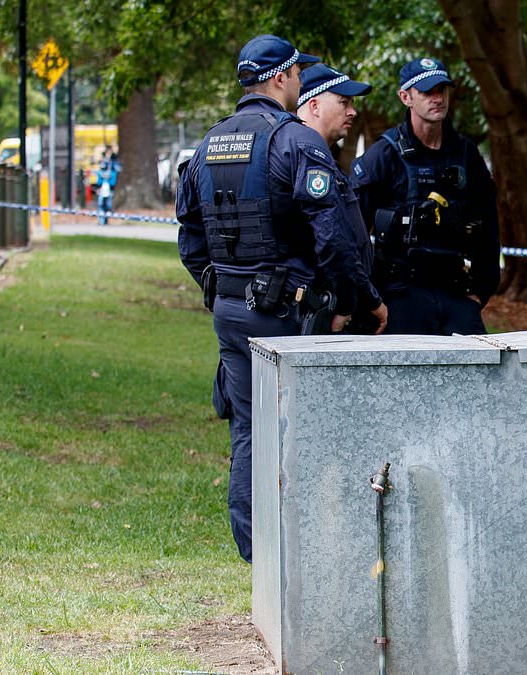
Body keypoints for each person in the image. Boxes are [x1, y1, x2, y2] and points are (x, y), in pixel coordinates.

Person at [177, 34, 376, 563]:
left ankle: (257, 551)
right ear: (284, 77)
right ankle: (306, 553)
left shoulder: (208, 144)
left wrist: (223, 288)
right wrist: (356, 302)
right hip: (286, 313)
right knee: (304, 430)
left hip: (230, 313)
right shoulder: (295, 142)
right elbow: (333, 239)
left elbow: (191, 242)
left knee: (248, 429)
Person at [350, 57, 500, 335]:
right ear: (405, 97)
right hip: (401, 293)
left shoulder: (466, 153)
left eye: (441, 90)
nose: (437, 98)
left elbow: (489, 227)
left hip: (456, 291)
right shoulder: (384, 155)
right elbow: (353, 229)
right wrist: (369, 297)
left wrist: (481, 290)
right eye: (427, 92)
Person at [297, 63, 388, 333]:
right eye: (343, 102)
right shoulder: (307, 158)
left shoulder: (324, 159)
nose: (353, 111)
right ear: (314, 106)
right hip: (321, 309)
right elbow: (332, 242)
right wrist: (350, 304)